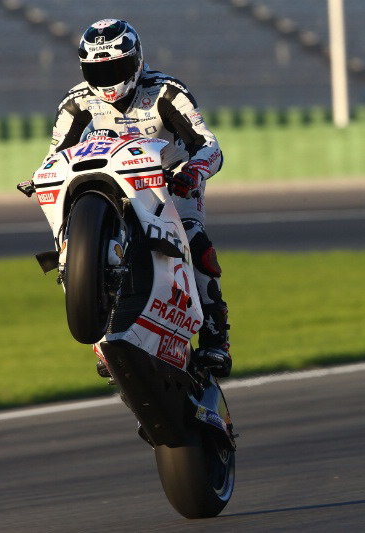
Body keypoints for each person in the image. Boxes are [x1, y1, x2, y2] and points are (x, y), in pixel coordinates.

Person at [46, 19, 231, 377]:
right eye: (97, 70)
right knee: (72, 251)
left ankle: (215, 338)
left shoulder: (166, 91)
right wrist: (41, 180)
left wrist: (192, 173)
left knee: (193, 238)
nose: (107, 78)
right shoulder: (75, 102)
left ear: (136, 61)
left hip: (168, 183)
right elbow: (54, 156)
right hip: (106, 186)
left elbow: (208, 144)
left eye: (115, 67)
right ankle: (104, 332)